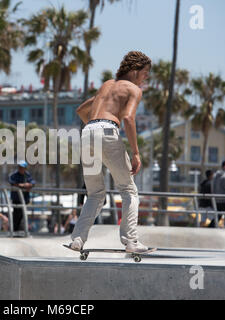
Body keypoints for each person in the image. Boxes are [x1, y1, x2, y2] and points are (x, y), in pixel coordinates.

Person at [68, 51, 151, 253]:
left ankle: (77, 240)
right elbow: (129, 119)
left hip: (87, 133)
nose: (146, 78)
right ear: (134, 71)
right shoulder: (133, 89)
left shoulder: (106, 85)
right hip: (107, 130)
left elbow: (81, 110)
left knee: (95, 193)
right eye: (145, 73)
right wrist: (136, 154)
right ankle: (131, 242)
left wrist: (95, 133)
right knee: (129, 190)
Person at [8, 160, 35, 231]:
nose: (20, 169)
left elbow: (32, 182)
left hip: (25, 200)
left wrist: (29, 185)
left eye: (22, 167)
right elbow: (12, 182)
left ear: (25, 168)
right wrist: (23, 185)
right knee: (16, 216)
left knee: (23, 216)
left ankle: (21, 231)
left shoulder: (27, 175)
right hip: (16, 200)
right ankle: (14, 231)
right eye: (19, 167)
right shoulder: (14, 175)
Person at [209, 160, 225, 228]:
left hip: (217, 200)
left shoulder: (215, 176)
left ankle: (209, 228)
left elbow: (212, 189)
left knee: (217, 217)